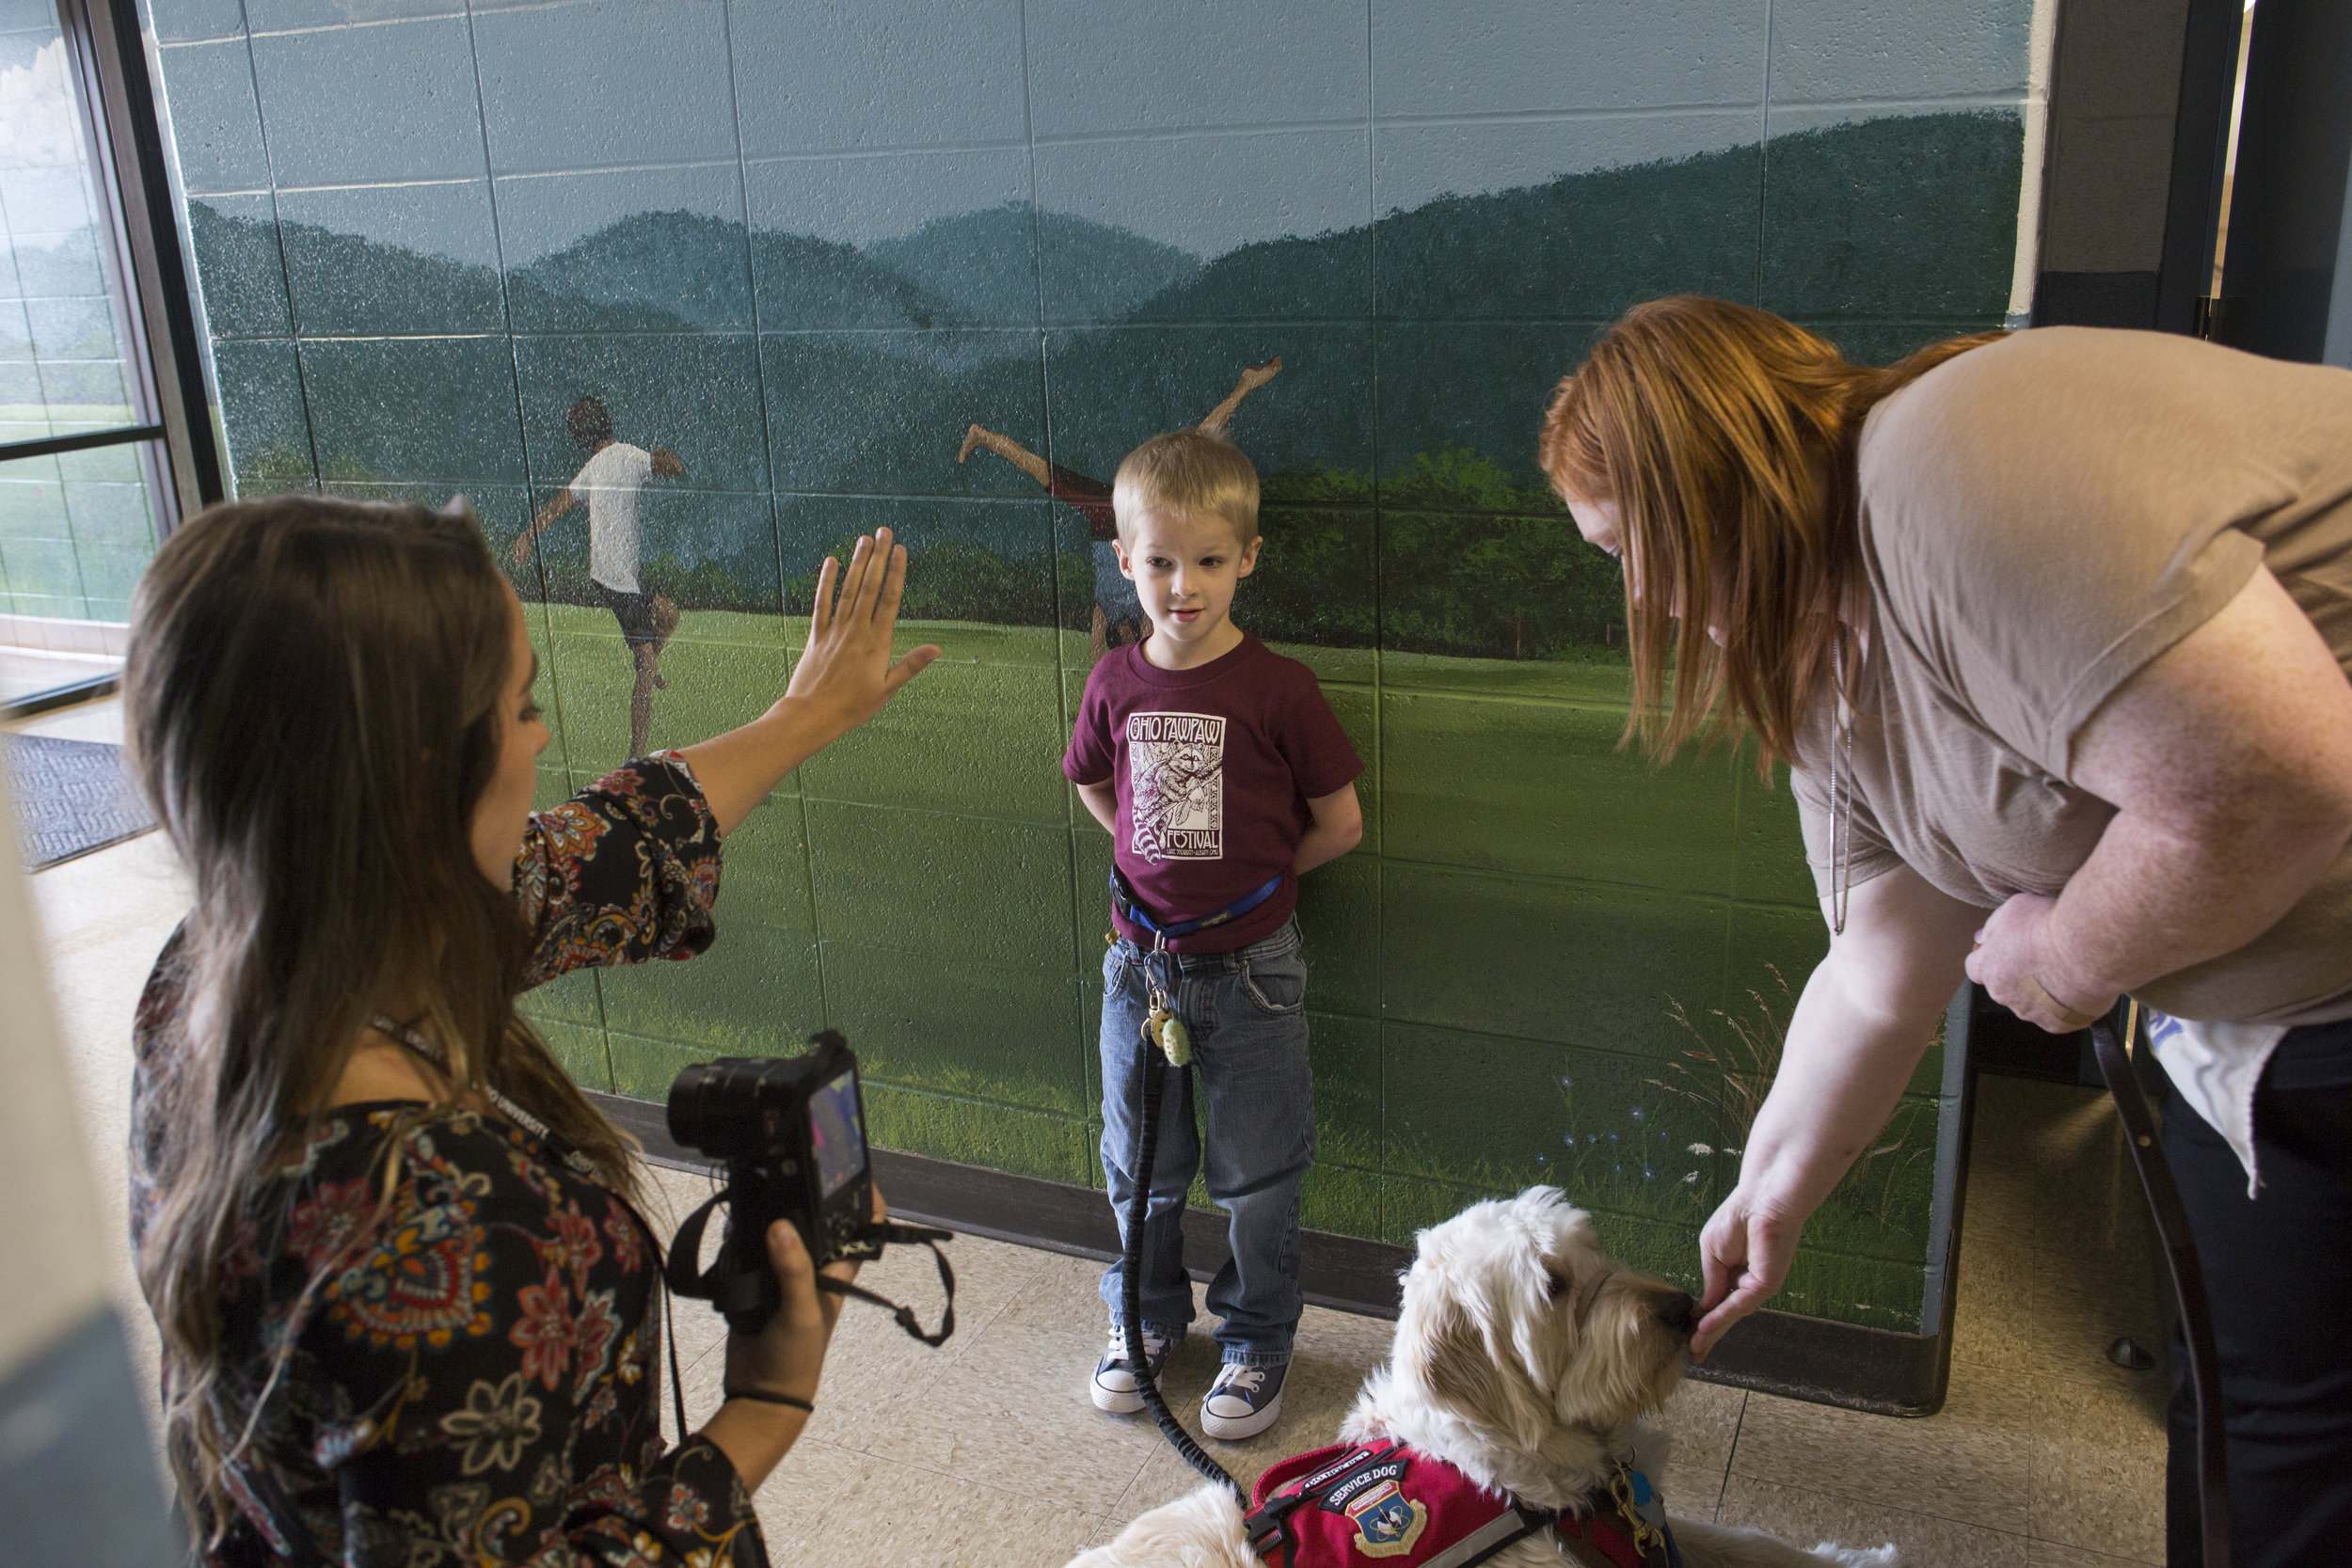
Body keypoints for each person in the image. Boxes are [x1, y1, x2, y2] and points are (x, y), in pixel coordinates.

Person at [1536, 296, 2352, 1567]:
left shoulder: (1951, 463)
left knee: (2301, 1443)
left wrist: (2066, 959)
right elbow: (1879, 964)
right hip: (2255, 1036)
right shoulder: (1819, 652)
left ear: (1708, 468)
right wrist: (1777, 1185)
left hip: (2321, 1005)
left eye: (1620, 543)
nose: (1634, 590)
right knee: (2249, 1418)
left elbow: (2271, 783)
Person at [125, 496, 939, 1564]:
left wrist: (803, 715)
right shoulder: (451, 1235)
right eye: (520, 707)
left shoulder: (211, 970)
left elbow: (590, 854)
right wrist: (768, 1404)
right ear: (417, 777)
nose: (543, 735)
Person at [1062, 427, 1363, 1440]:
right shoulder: (1113, 682)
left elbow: (1342, 822)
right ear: (1123, 557)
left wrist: (1253, 892)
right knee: (1138, 1164)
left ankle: (1256, 1335)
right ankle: (1142, 1317)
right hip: (1136, 970)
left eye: (1206, 560)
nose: (1180, 585)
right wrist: (1148, 864)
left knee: (1257, 1172)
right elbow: (1096, 784)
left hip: (1253, 975)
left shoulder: (1282, 689)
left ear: (1248, 557)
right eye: (1158, 561)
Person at [960, 356, 1281, 663]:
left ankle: (985, 436)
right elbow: (1147, 647)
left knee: (1043, 471)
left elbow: (1098, 652)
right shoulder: (1145, 619)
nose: (1134, 641)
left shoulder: (1108, 615)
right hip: (1134, 513)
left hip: (1114, 518)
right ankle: (1245, 386)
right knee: (1194, 444)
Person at [513, 394, 688, 758]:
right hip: (616, 579)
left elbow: (559, 503)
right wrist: (663, 456)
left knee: (670, 616)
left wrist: (529, 535)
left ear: (581, 440)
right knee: (645, 665)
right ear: (608, 424)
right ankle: (635, 756)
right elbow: (672, 467)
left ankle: (648, 665)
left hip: (618, 575)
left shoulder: (595, 466)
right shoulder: (628, 455)